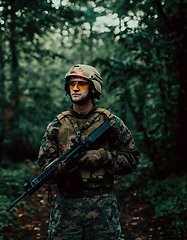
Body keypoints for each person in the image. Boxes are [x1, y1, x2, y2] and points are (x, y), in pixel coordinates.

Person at [37, 64, 139, 240]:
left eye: (81, 84)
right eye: (71, 84)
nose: (75, 88)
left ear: (93, 88)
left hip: (102, 208)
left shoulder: (110, 122)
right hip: (66, 209)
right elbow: (44, 164)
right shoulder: (56, 125)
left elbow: (132, 159)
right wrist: (58, 167)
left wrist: (103, 156)